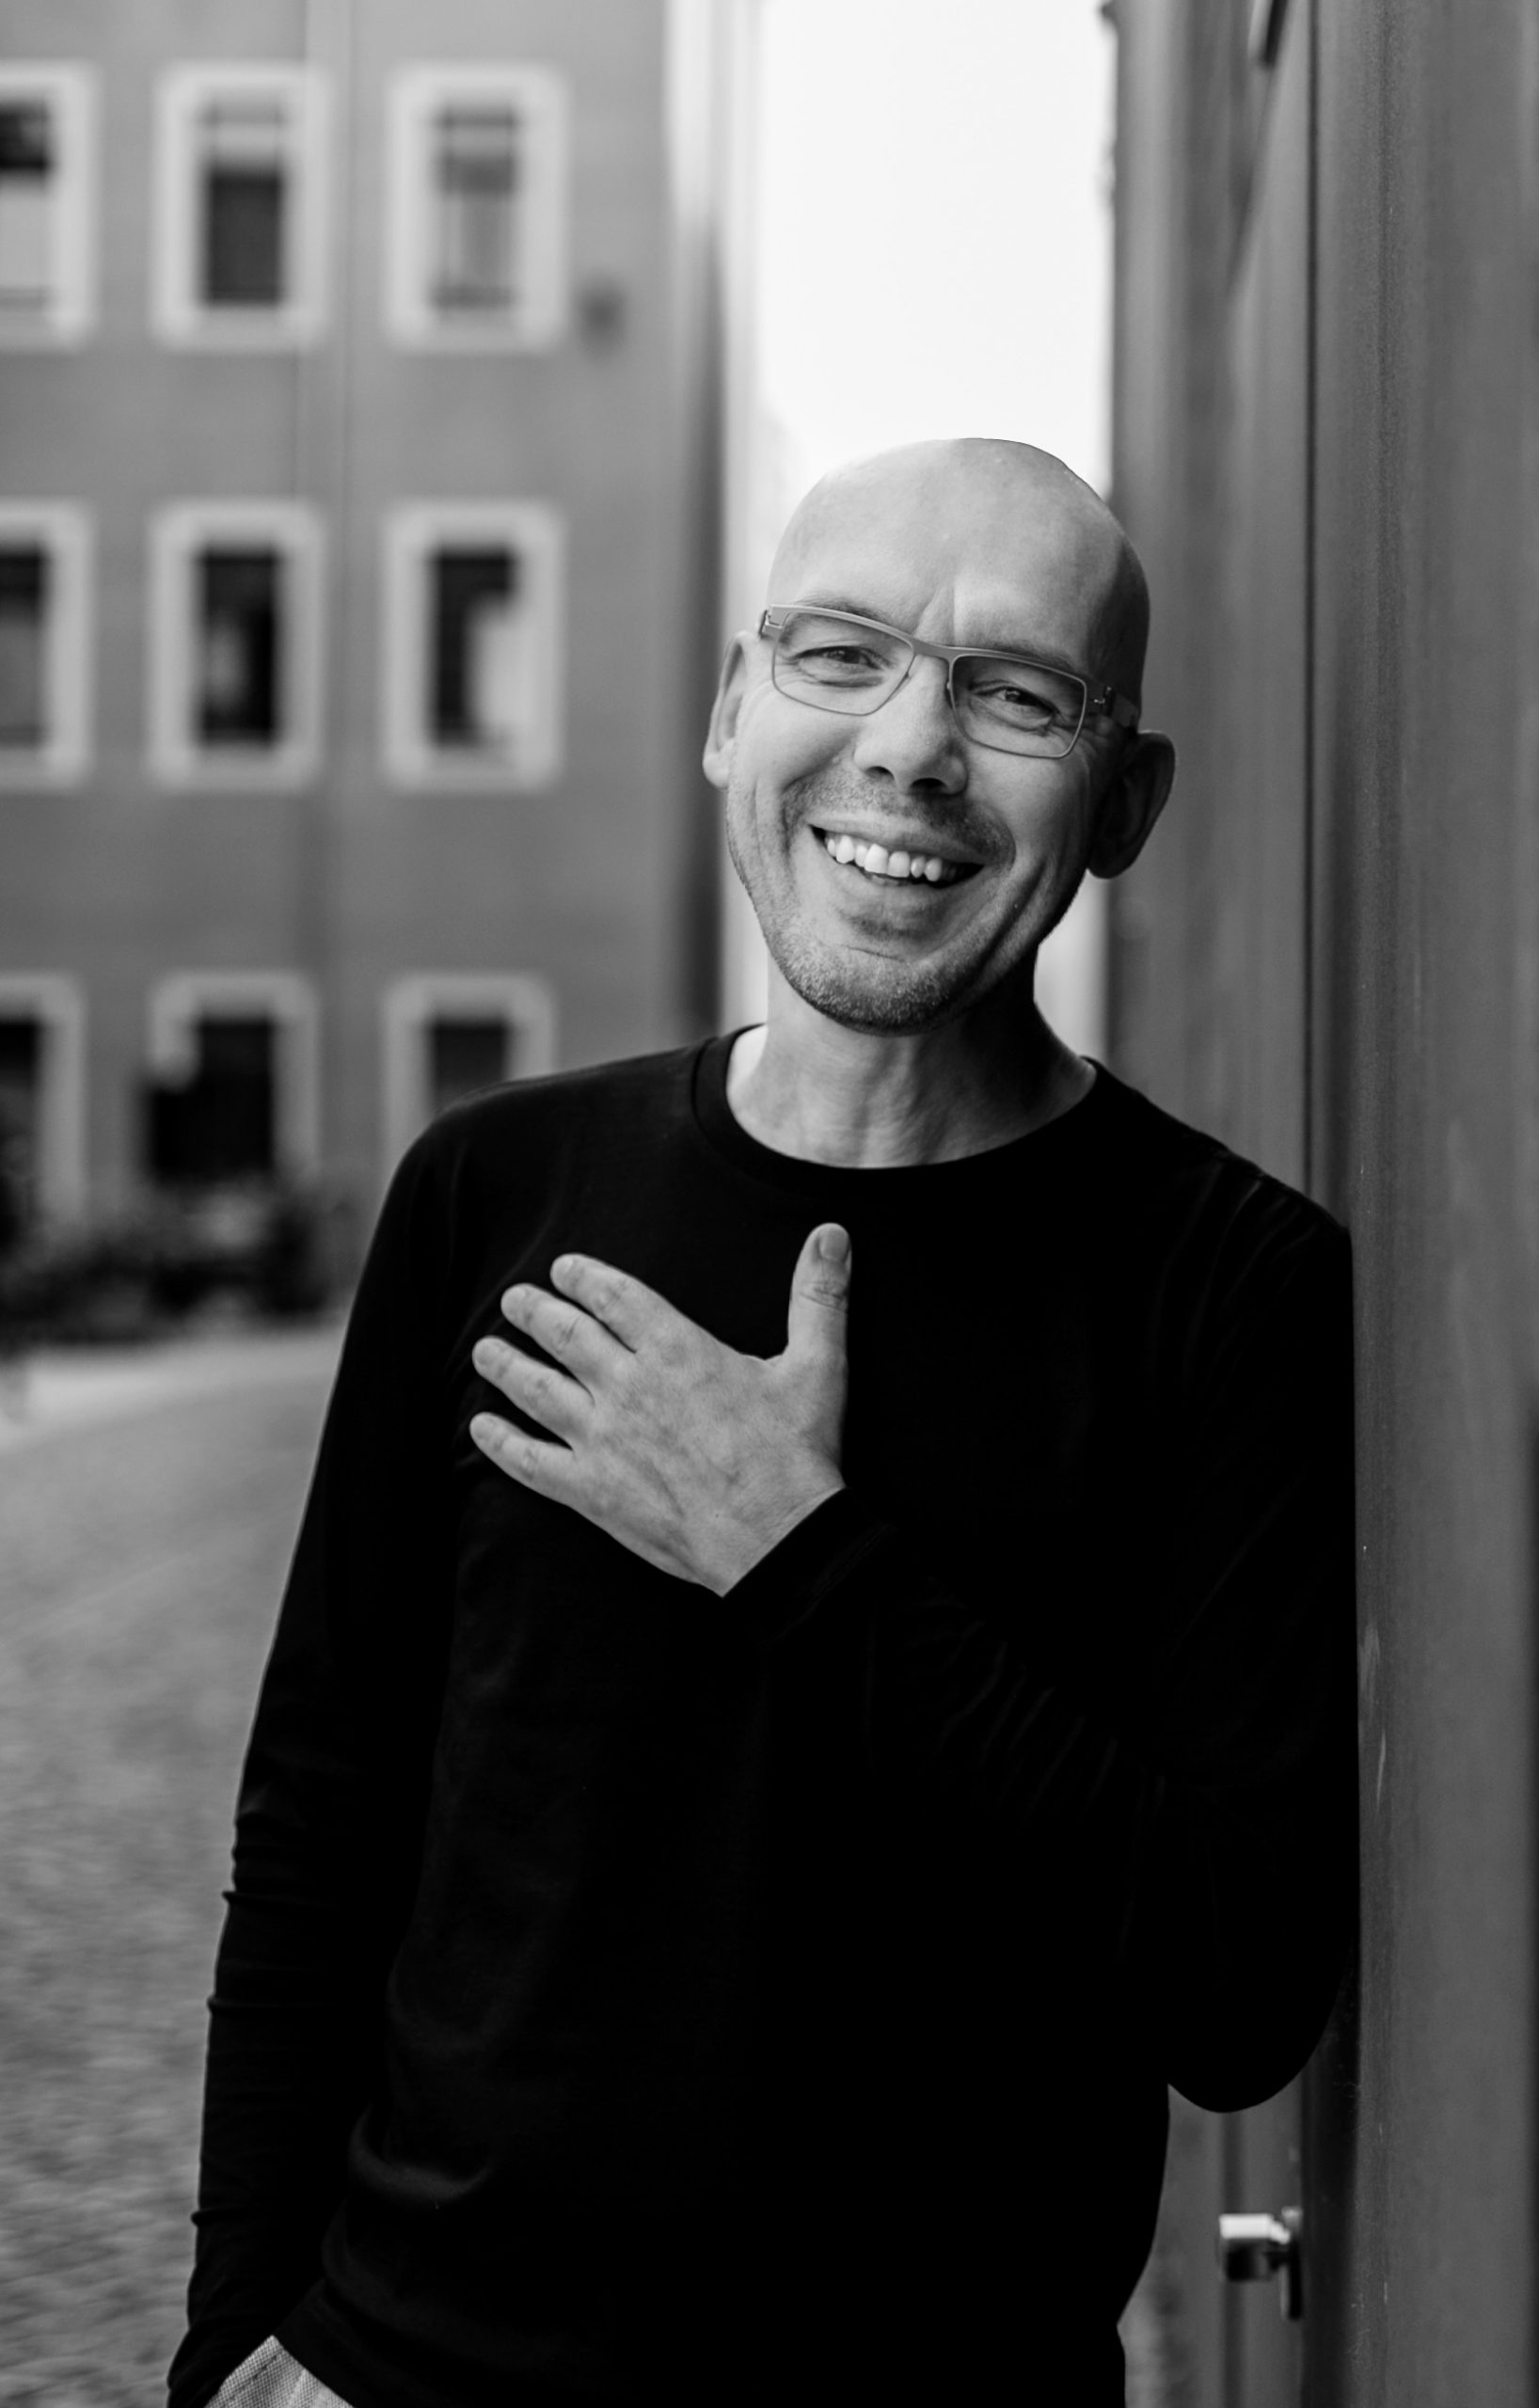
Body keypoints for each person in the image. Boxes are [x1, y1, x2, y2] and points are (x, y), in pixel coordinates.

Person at [169, 439, 1356, 2408]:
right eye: (842, 654)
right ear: (736, 709)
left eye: (1017, 692)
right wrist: (233, 2342)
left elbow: (1235, 1985)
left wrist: (795, 1551)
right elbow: (320, 1823)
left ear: (1125, 802)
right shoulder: (495, 1191)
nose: (908, 748)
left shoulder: (1228, 1284)